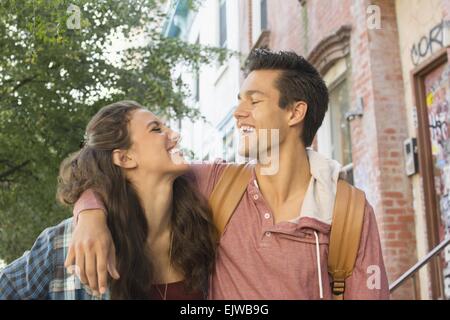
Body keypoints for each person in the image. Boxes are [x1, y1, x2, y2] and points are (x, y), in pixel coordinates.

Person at [69, 49, 390, 299]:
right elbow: (121, 171)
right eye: (239, 101)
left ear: (295, 112)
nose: (237, 114)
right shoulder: (216, 183)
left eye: (254, 101)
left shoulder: (349, 211)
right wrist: (91, 214)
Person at [0, 101, 217, 299]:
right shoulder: (64, 245)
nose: (175, 135)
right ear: (125, 158)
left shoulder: (205, 228)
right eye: (156, 129)